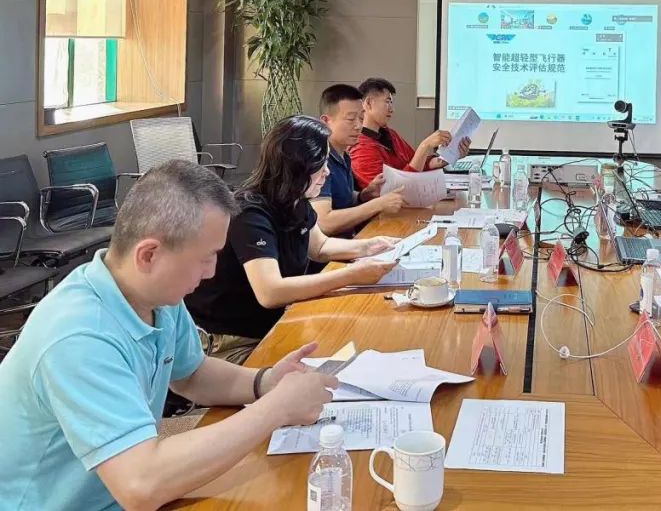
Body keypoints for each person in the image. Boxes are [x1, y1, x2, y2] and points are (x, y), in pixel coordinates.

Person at [0, 161, 339, 510]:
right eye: (206, 258)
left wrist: (265, 382)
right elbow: (141, 485)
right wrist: (276, 408)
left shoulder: (156, 296)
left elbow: (191, 375)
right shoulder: (79, 337)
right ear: (149, 255)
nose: (211, 272)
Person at [186, 115, 400, 363]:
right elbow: (270, 292)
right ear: (298, 166)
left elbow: (319, 246)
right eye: (321, 164)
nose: (327, 172)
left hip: (272, 324)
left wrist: (369, 246)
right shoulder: (249, 213)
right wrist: (351, 276)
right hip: (232, 341)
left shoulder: (297, 200)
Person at [314, 83, 406, 238]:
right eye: (351, 119)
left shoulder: (344, 155)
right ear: (326, 121)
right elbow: (324, 223)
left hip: (350, 240)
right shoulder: (318, 159)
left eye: (361, 118)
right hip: (330, 250)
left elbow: (340, 198)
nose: (359, 126)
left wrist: (364, 195)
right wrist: (378, 204)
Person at [349, 76, 470, 188]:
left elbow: (417, 164)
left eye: (391, 103)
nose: (392, 109)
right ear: (368, 103)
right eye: (387, 102)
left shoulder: (391, 134)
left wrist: (448, 157)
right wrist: (425, 146)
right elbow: (389, 191)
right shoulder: (360, 149)